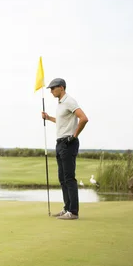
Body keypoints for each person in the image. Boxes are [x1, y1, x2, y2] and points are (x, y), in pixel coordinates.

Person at [41, 78, 89, 220]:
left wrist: (74, 136)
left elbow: (84, 118)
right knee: (62, 178)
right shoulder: (61, 104)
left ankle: (73, 212)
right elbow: (62, 121)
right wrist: (49, 118)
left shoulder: (69, 101)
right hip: (60, 143)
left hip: (68, 143)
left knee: (69, 178)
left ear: (61, 88)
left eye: (53, 88)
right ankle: (67, 208)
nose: (50, 91)